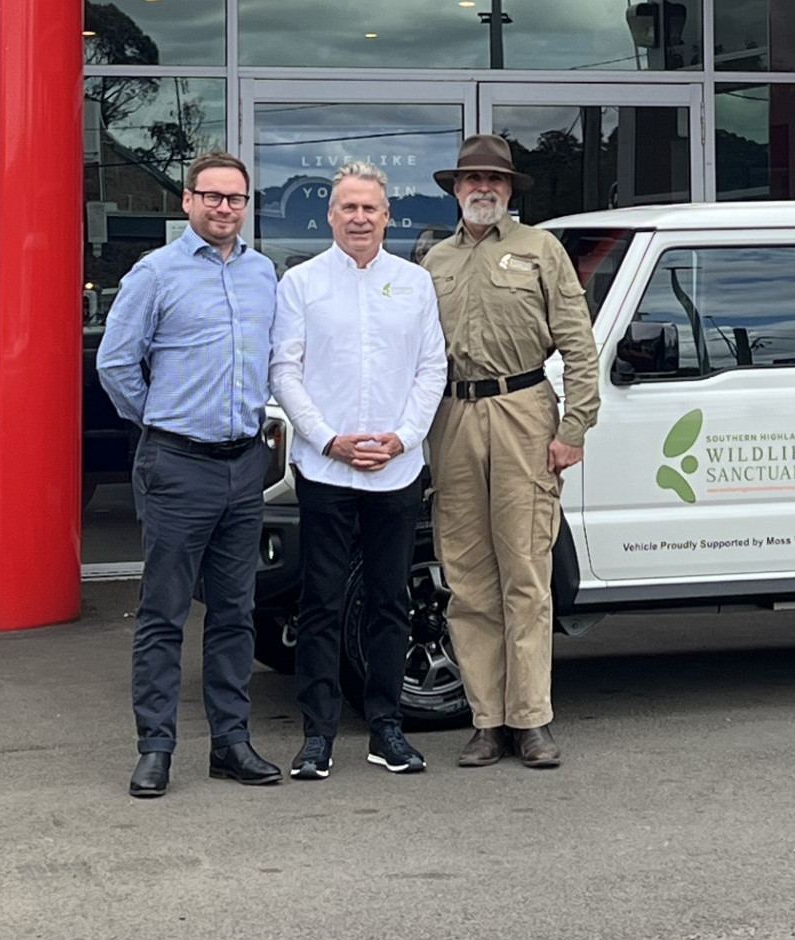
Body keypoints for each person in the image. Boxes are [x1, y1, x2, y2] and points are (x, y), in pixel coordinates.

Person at [97, 151, 282, 798]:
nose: (224, 208)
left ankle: (231, 743)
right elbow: (115, 362)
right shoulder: (156, 273)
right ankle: (155, 747)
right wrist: (161, 422)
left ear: (245, 205)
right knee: (164, 612)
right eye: (212, 197)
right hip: (176, 464)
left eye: (235, 199)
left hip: (243, 464)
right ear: (187, 201)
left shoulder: (264, 274)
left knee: (235, 611)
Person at [422, 134, 600, 768]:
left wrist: (573, 429)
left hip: (523, 412)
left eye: (496, 181)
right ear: (455, 189)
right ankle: (486, 720)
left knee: (526, 571)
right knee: (467, 579)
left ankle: (531, 721)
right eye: (473, 180)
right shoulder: (433, 260)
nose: (484, 189)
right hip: (451, 417)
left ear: (509, 190)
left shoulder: (540, 250)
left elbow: (579, 346)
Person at [270, 162, 447, 780]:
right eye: (348, 207)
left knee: (388, 603)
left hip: (397, 473)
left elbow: (432, 370)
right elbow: (284, 371)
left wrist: (401, 439)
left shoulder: (414, 283)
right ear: (330, 215)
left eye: (370, 208)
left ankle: (386, 728)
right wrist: (329, 439)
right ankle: (317, 734)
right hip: (325, 469)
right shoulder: (300, 283)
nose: (360, 218)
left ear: (388, 215)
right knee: (319, 602)